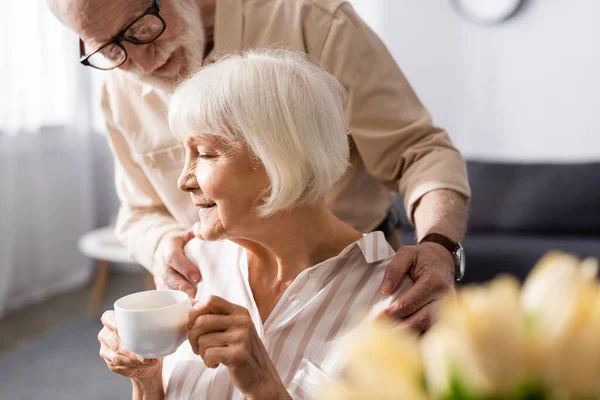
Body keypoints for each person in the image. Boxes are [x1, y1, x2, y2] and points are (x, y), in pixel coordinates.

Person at [49, 0, 471, 332]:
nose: (141, 63)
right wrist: (160, 245)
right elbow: (139, 211)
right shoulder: (117, 89)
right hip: (219, 292)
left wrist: (439, 246)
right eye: (110, 48)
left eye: (141, 28)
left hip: (352, 282)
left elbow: (418, 150)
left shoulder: (313, 19)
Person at [99, 49, 415, 400]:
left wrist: (266, 388)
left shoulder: (395, 300)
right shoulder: (192, 268)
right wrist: (146, 380)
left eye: (204, 154)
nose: (183, 181)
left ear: (279, 159)